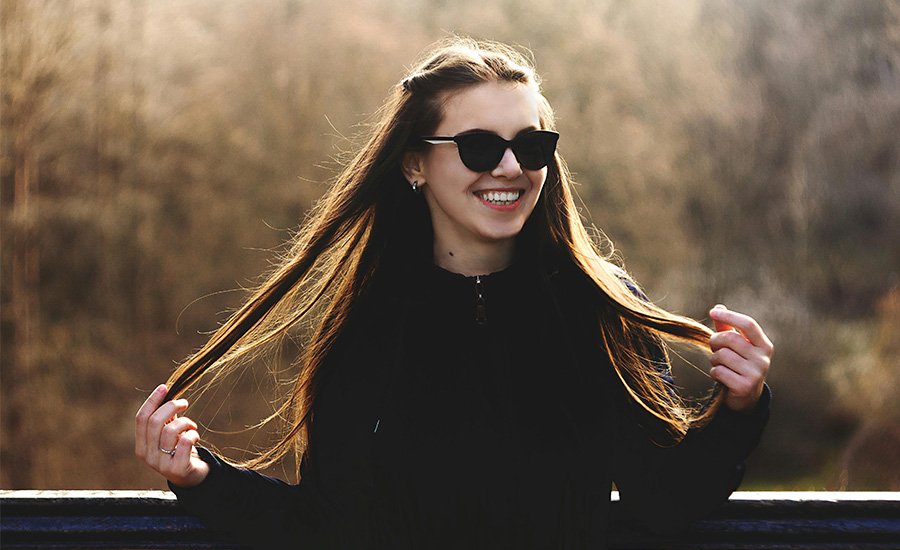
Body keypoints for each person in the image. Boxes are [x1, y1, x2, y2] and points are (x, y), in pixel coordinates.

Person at [135, 38, 773, 549]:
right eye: (479, 147)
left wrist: (739, 407)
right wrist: (199, 477)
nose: (510, 167)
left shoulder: (598, 308)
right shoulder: (368, 320)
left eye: (532, 145)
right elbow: (330, 526)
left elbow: (662, 502)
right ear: (415, 163)